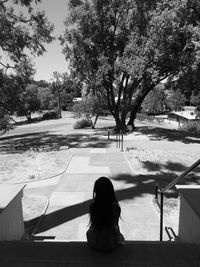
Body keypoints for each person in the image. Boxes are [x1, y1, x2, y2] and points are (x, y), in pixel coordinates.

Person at [86, 176, 125, 251]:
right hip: (111, 243)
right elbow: (115, 225)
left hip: (95, 243)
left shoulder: (93, 207)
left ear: (96, 191)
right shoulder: (115, 208)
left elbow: (93, 225)